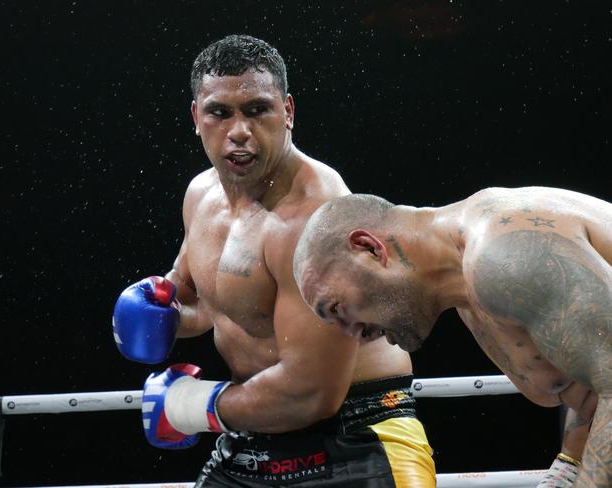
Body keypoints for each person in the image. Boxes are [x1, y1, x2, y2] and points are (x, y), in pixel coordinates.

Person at [112, 35, 436, 487]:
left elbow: (312, 393)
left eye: (257, 110)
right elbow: (204, 300)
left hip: (354, 440)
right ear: (195, 117)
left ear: (287, 112)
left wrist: (190, 405)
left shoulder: (313, 217)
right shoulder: (202, 196)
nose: (239, 130)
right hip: (255, 438)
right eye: (220, 113)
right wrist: (157, 308)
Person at [292, 187, 612, 487]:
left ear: (369, 248)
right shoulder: (470, 298)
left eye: (337, 308)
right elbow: (592, 383)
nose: (354, 335)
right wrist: (569, 468)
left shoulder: (501, 255)